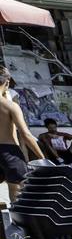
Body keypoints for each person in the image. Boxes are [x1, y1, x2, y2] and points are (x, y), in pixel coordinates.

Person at [0, 66, 42, 203]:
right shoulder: (10, 106)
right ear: (7, 82)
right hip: (9, 152)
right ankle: (17, 222)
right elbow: (25, 135)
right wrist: (42, 158)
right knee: (17, 193)